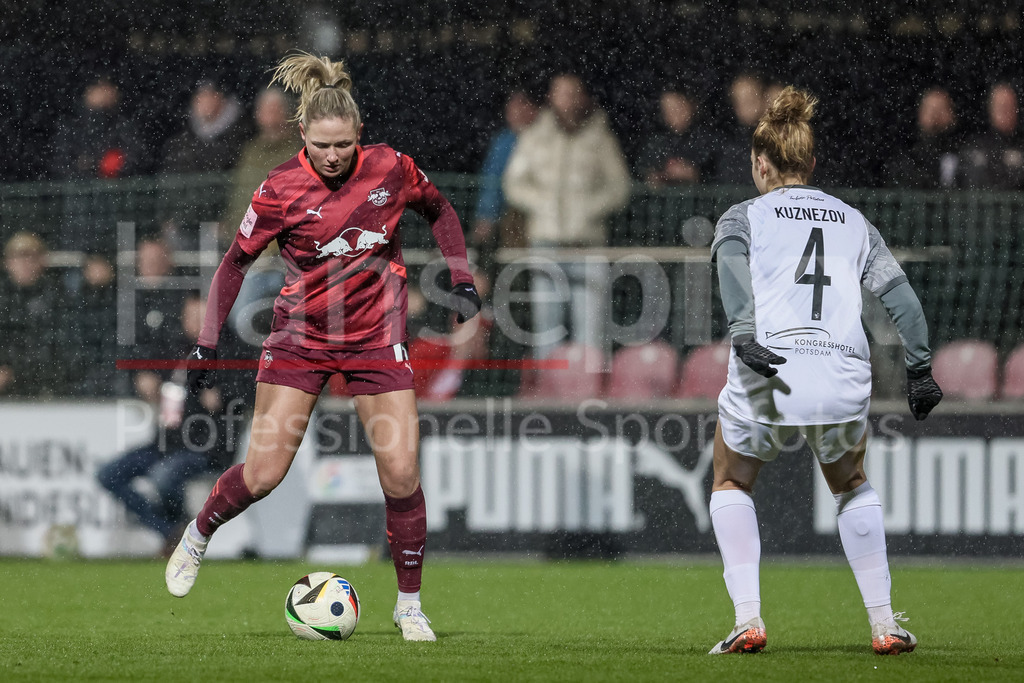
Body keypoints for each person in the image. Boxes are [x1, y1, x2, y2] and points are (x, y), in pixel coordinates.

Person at [164, 53, 481, 643]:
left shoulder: (392, 168)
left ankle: (408, 606)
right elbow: (234, 263)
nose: (333, 156)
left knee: (402, 472)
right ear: (302, 133)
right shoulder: (279, 188)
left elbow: (440, 210)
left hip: (376, 339)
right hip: (299, 342)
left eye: (343, 144)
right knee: (262, 474)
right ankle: (199, 532)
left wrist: (460, 277)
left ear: (358, 134)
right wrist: (206, 341)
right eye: (322, 145)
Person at [707, 87, 943, 656]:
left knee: (731, 480)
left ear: (761, 164)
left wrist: (743, 334)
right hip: (840, 374)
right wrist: (919, 368)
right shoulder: (854, 222)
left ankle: (748, 620)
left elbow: (730, 264)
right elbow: (903, 299)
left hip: (770, 366)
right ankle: (885, 624)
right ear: (812, 166)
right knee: (852, 485)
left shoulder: (744, 215)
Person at [98, 295, 248, 556]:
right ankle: (170, 530)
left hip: (205, 447)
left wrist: (223, 395)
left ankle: (178, 532)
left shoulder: (229, 352)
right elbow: (143, 364)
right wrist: (143, 379)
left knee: (163, 477)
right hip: (165, 443)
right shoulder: (175, 349)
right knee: (108, 475)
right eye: (190, 318)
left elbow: (247, 392)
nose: (195, 324)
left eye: (202, 318)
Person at [503, 72, 631, 358]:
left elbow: (619, 188)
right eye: (560, 92)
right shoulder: (535, 136)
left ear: (583, 97)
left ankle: (588, 395)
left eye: (573, 92)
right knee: (546, 327)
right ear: (551, 97)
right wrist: (542, 203)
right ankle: (548, 394)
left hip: (588, 245)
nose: (567, 99)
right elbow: (513, 183)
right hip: (545, 243)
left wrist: (589, 209)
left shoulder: (600, 139)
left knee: (591, 327)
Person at [470, 89, 538, 256]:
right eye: (512, 106)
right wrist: (486, 215)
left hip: (533, 215)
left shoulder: (542, 140)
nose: (515, 112)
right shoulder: (504, 142)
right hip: (508, 216)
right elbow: (492, 180)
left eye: (522, 106)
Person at [0, 232, 66, 397]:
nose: (25, 263)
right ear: (7, 263)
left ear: (42, 261)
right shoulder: (4, 298)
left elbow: (60, 350)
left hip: (46, 389)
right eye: (18, 257)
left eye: (31, 256)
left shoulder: (58, 300)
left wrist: (12, 371)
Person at [51, 76, 144, 180]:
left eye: (109, 87)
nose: (105, 92)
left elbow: (135, 156)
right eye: (100, 87)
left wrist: (112, 165)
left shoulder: (122, 123)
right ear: (88, 91)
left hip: (116, 189)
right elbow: (61, 162)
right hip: (79, 190)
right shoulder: (72, 125)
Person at [161, 80, 250, 174]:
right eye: (199, 96)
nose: (203, 102)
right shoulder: (182, 141)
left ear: (221, 98)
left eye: (208, 95)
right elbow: (170, 177)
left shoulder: (242, 132)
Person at [884, 87, 960, 189]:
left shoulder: (966, 153)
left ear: (952, 115)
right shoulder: (908, 155)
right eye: (931, 110)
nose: (935, 116)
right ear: (920, 114)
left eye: (941, 109)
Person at [636, 88, 713, 187]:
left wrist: (696, 174)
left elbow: (722, 175)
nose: (672, 113)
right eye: (667, 110)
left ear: (691, 106)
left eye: (677, 107)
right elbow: (642, 172)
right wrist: (655, 177)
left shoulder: (707, 138)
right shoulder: (656, 141)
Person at [959, 82, 1024, 190]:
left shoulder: (1021, 144)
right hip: (981, 205)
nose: (1005, 111)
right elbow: (965, 180)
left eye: (1009, 106)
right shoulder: (976, 144)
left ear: (1016, 109)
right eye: (1000, 106)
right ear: (991, 109)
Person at [711, 74, 766, 185]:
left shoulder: (778, 137)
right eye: (738, 101)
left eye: (749, 99)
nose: (744, 106)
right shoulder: (726, 141)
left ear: (763, 98)